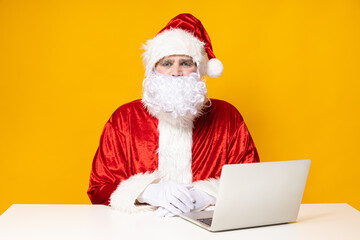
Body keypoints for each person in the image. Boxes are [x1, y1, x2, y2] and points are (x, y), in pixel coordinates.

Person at [87, 13, 259, 217]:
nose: (176, 72)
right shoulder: (125, 118)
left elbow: (252, 180)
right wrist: (145, 192)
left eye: (186, 63)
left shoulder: (227, 116)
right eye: (167, 63)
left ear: (199, 69)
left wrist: (207, 195)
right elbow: (99, 188)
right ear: (153, 70)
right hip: (139, 230)